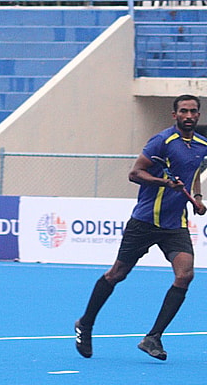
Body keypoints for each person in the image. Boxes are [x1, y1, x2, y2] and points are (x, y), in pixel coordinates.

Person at [74, 94, 207, 361]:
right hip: (145, 222)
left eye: (193, 111)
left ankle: (153, 337)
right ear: (175, 115)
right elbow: (135, 173)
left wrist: (198, 197)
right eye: (184, 111)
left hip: (175, 224)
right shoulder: (161, 141)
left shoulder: (203, 145)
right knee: (117, 274)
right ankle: (85, 323)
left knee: (185, 275)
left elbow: (192, 176)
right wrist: (164, 183)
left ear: (199, 115)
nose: (189, 116)